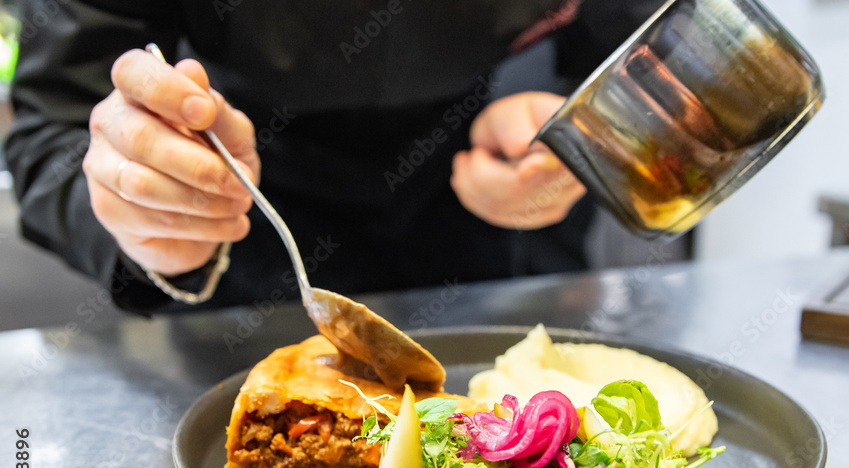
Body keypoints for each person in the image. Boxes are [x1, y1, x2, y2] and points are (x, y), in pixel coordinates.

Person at [6, 1, 659, 314]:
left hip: (496, 206)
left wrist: (578, 127)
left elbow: (649, 54)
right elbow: (52, 130)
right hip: (247, 198)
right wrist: (145, 212)